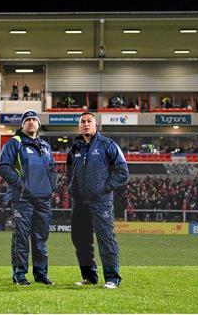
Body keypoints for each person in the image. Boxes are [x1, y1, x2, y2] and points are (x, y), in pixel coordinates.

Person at [66, 112, 129, 289]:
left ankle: (112, 278)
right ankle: (89, 276)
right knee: (80, 240)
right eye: (83, 122)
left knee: (105, 239)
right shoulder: (75, 148)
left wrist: (105, 188)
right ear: (79, 126)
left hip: (101, 201)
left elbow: (123, 172)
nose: (86, 124)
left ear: (96, 125)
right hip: (79, 202)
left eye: (89, 121)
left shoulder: (108, 145)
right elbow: (69, 174)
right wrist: (71, 188)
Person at [0, 110, 56, 286]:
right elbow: (4, 168)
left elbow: (52, 169)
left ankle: (41, 274)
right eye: (28, 120)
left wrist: (51, 187)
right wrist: (22, 185)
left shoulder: (45, 146)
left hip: (43, 199)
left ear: (38, 124)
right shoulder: (14, 143)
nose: (31, 122)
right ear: (22, 124)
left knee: (41, 237)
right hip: (23, 198)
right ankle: (20, 275)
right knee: (21, 237)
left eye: (34, 120)